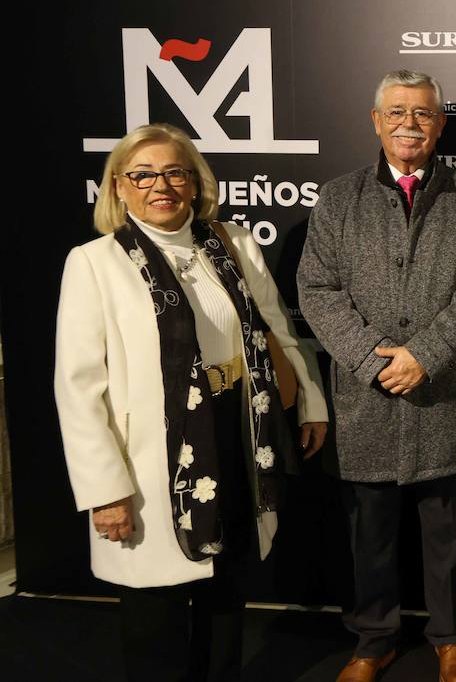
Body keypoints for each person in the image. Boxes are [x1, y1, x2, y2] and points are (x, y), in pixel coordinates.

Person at [54, 122, 329, 681]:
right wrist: (105, 490)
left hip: (236, 436)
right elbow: (79, 389)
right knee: (153, 613)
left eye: (175, 172)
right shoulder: (95, 263)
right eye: (144, 174)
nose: (162, 185)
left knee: (226, 594)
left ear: (194, 181)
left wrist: (312, 402)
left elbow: (277, 329)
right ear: (118, 187)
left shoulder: (233, 243)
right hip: (153, 458)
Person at [297, 69, 456, 682]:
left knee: (451, 537)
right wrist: (372, 359)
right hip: (366, 401)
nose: (409, 124)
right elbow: (316, 289)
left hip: (447, 399)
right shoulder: (338, 198)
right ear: (376, 120)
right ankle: (373, 639)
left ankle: (451, 638)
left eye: (422, 114)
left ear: (439, 124)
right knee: (371, 537)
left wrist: (425, 355)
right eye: (397, 112)